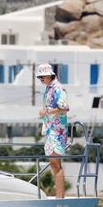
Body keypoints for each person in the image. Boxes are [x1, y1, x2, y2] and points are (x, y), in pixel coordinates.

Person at [37, 63, 69, 198]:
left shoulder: (57, 88)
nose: (41, 79)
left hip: (57, 130)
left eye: (42, 76)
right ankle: (59, 196)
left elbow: (65, 107)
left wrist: (46, 112)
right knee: (53, 163)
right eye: (39, 77)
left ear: (49, 75)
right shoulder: (49, 88)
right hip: (51, 130)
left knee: (56, 163)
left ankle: (60, 197)